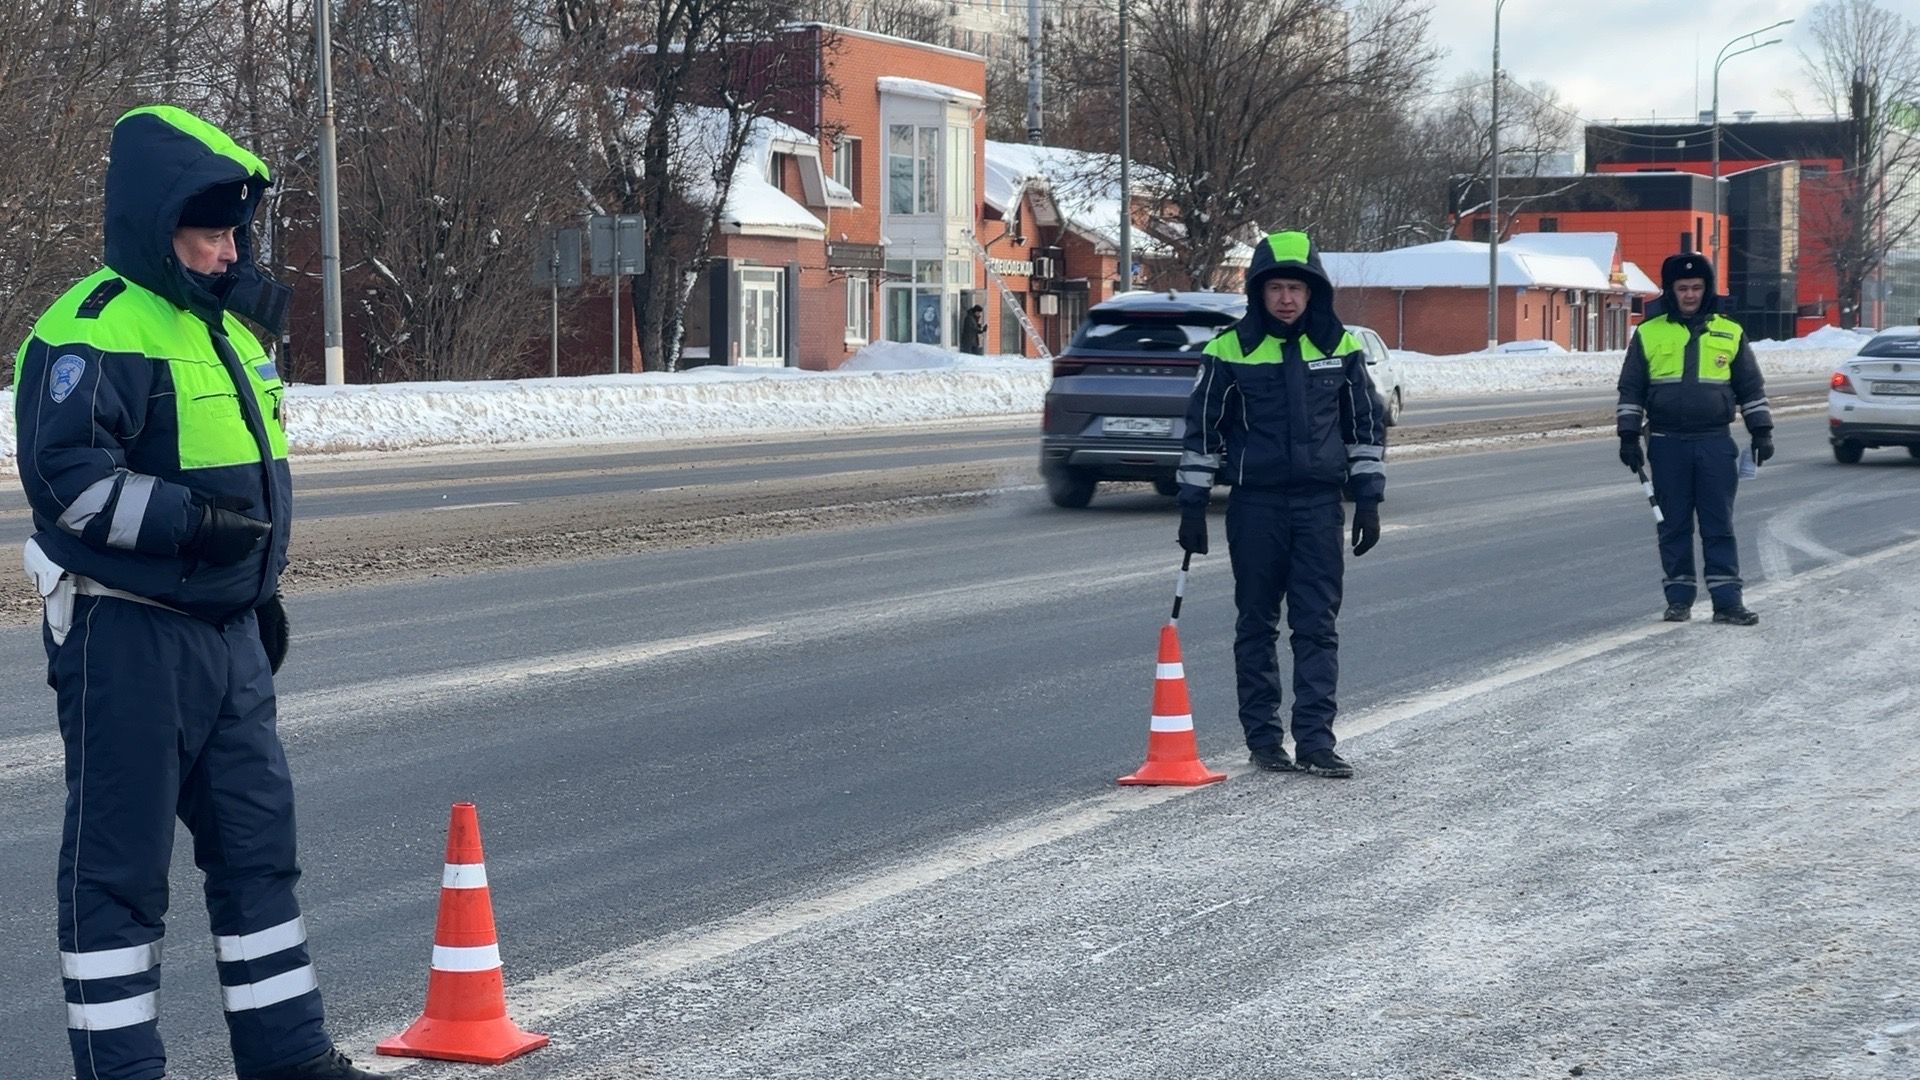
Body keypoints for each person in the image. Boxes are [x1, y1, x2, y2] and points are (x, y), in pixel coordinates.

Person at [14, 106, 379, 1079]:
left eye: (232, 235)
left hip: (228, 639)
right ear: (153, 222)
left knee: (259, 858)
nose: (225, 252)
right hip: (124, 636)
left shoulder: (220, 326)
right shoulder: (91, 327)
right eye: (206, 233)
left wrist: (251, 589)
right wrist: (192, 526)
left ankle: (289, 1060)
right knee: (118, 883)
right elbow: (69, 486)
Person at [1175, 230, 1385, 779]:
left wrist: (1368, 500)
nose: (1287, 298)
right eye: (1276, 288)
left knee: (1317, 626)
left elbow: (1365, 426)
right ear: (1258, 293)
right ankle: (1264, 740)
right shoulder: (1228, 350)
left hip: (1319, 508)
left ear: (1314, 291)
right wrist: (1192, 506)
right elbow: (1201, 431)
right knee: (1256, 624)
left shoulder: (1339, 347)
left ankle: (1316, 741)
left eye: (1297, 287)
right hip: (1255, 507)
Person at [1615, 252, 1772, 625]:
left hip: (1715, 442)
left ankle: (1727, 601)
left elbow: (1750, 387)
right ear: (1670, 290)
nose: (1689, 295)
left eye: (1696, 287)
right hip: (1667, 443)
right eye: (1682, 288)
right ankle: (1679, 598)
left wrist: (1761, 431)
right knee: (1674, 525)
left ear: (1707, 289)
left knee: (1719, 523)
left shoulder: (1729, 332)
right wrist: (1627, 436)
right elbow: (1632, 389)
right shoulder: (1649, 333)